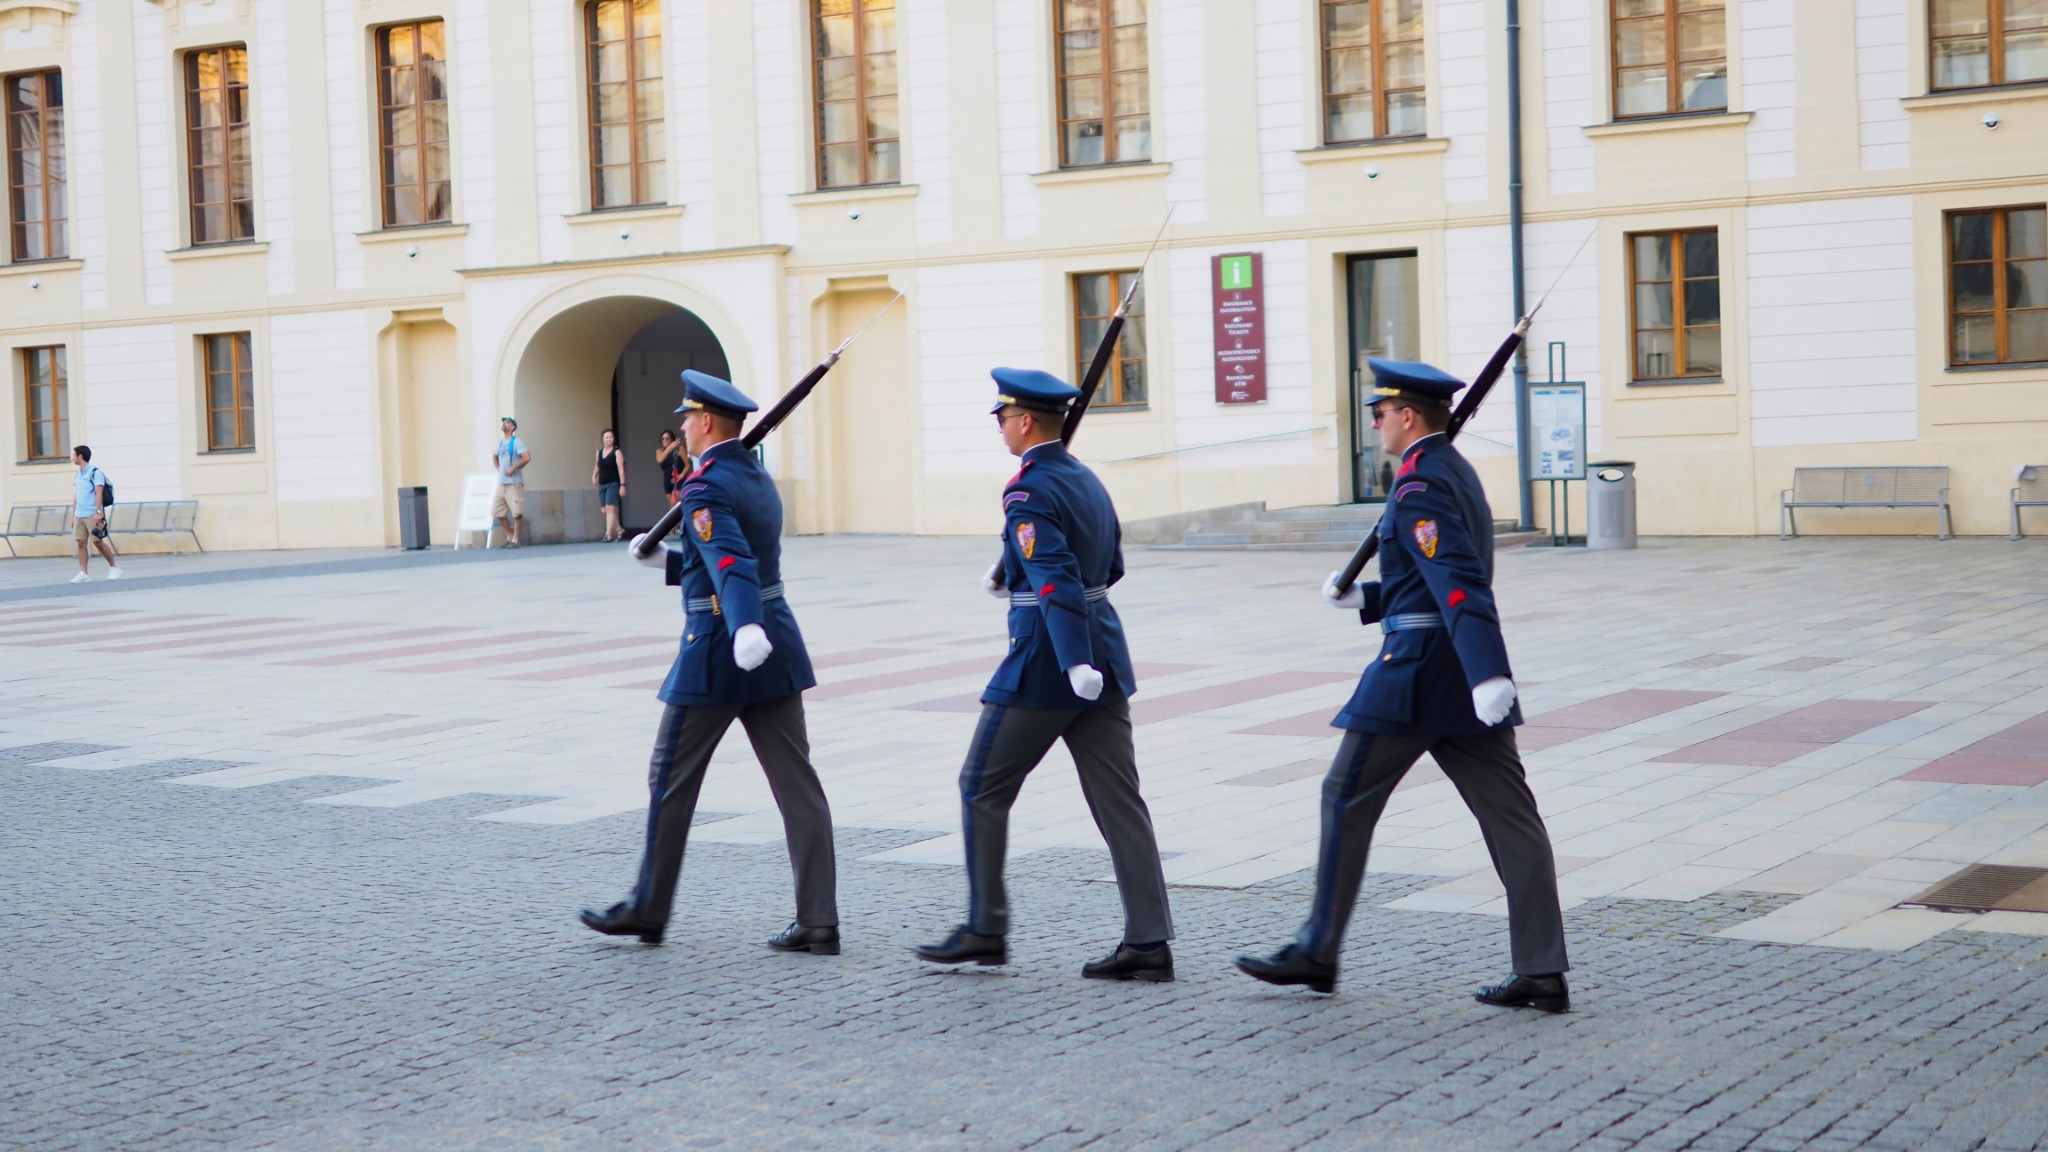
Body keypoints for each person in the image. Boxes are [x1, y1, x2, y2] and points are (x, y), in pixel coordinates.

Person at [1236, 359, 1571, 1012]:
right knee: (1512, 820)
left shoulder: (1420, 484)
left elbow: (1458, 581)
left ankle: (1317, 947)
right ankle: (1542, 967)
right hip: (1452, 672)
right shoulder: (1449, 471)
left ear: (1408, 415)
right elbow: (1424, 578)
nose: (1376, 425)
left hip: (1417, 672)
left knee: (1344, 794)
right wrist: (1367, 597)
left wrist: (1491, 671)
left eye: (1380, 414)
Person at [916, 368, 1174, 982]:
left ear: (1025, 421)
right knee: (1121, 803)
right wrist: (1010, 568)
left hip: (1048, 662)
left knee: (981, 785)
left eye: (1003, 417)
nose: (1001, 427)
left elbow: (1055, 574)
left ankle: (986, 926)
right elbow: (1107, 567)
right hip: (1103, 651)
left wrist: (1070, 655)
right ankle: (1150, 939)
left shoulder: (1026, 489)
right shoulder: (1084, 478)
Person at [580, 370, 839, 955]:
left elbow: (729, 562)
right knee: (798, 785)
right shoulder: (754, 477)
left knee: (669, 779)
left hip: (721, 650)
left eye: (689, 417)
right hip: (776, 644)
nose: (684, 425)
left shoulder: (704, 486)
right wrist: (668, 562)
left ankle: (648, 908)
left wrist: (743, 625)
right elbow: (728, 554)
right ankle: (819, 917)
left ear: (710, 422)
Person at [69, 445, 120, 585]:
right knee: (80, 542)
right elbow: (77, 495)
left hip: (92, 513)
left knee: (98, 541)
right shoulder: (78, 474)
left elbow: (99, 493)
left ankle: (114, 566)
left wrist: (98, 512)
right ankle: (83, 572)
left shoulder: (95, 472)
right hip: (80, 513)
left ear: (80, 456)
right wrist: (73, 514)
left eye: (74, 455)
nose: (72, 457)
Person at [492, 416, 530, 548]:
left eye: (507, 422)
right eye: (504, 422)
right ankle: (509, 534)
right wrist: (498, 468)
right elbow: (494, 455)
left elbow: (527, 457)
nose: (504, 424)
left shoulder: (516, 441)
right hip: (502, 483)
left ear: (512, 427)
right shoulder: (501, 443)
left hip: (514, 483)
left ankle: (515, 539)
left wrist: (513, 467)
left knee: (517, 512)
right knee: (497, 511)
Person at [592, 428, 626, 542]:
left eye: (611, 437)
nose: (609, 439)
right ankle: (620, 530)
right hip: (602, 483)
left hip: (613, 483)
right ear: (603, 439)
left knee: (610, 508)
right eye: (607, 437)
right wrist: (594, 475)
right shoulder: (599, 452)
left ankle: (608, 535)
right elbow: (598, 465)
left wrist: (622, 485)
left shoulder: (617, 452)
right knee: (605, 510)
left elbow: (621, 469)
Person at [656, 428, 689, 508]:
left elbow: (687, 465)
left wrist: (680, 476)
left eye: (667, 438)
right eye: (663, 438)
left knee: (677, 502)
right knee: (671, 507)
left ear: (672, 439)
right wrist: (670, 447)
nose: (664, 440)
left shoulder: (679, 449)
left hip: (678, 479)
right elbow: (660, 460)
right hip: (667, 480)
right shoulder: (659, 451)